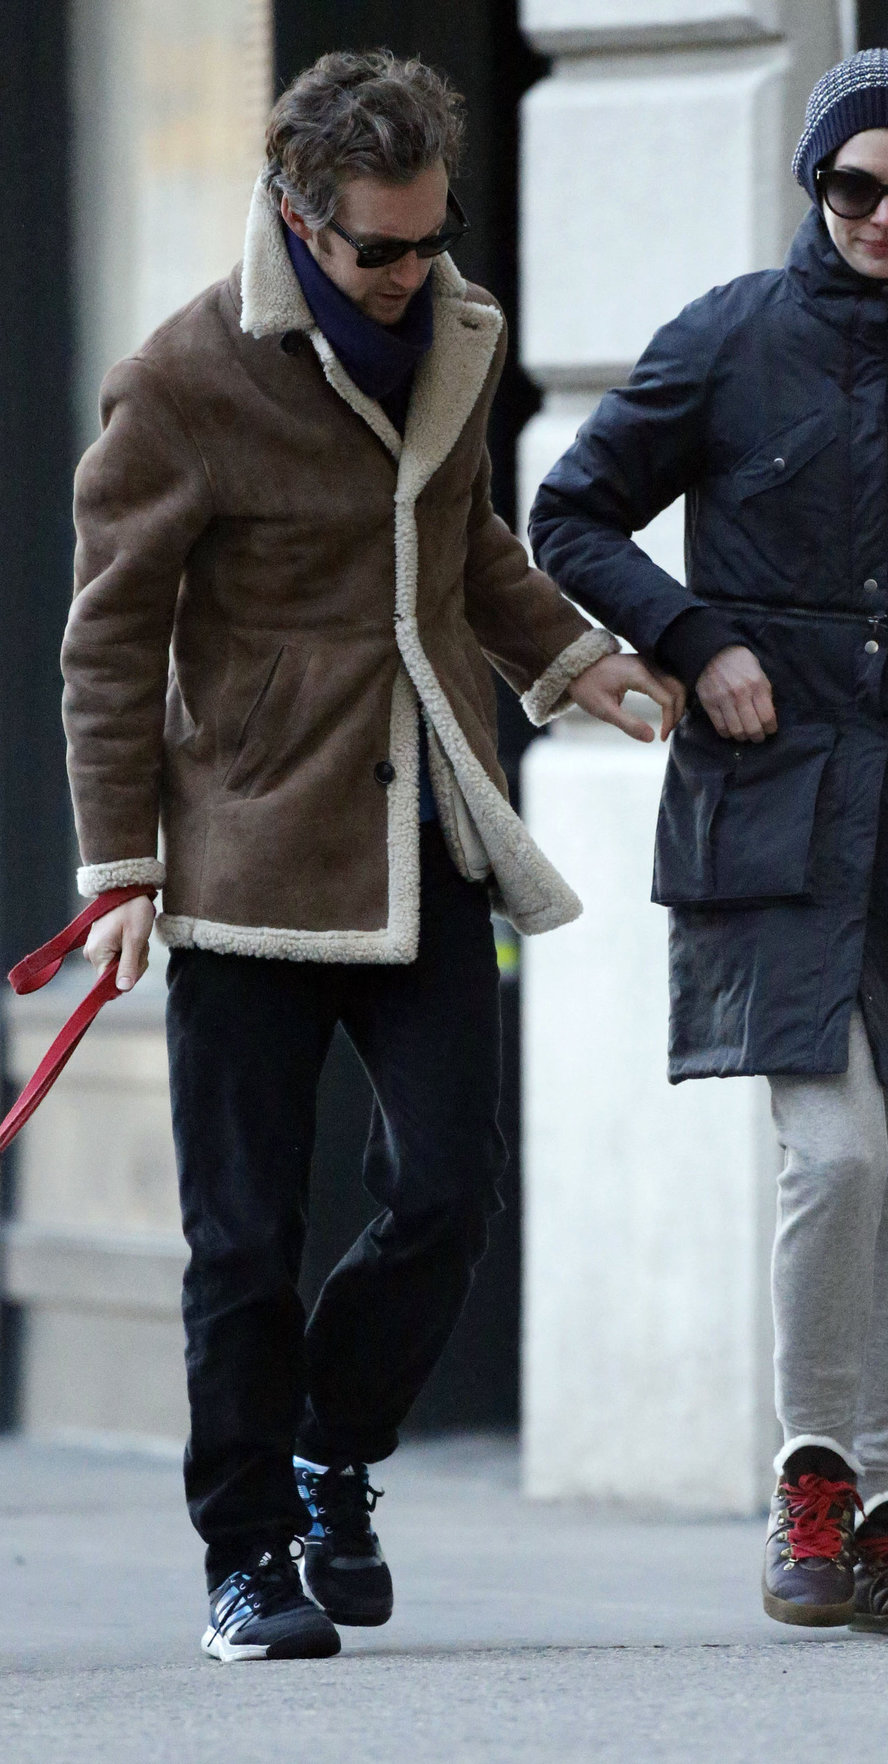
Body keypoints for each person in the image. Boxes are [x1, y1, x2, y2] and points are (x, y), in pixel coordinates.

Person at [62, 49, 682, 1663]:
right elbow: (109, 642)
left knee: (445, 1196)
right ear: (297, 216)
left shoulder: (458, 337)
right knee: (245, 1238)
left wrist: (577, 663)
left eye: (431, 237)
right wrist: (116, 870)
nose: (414, 273)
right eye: (379, 250)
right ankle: (245, 1557)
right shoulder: (183, 378)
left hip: (431, 839)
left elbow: (461, 537)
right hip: (252, 855)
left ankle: (334, 1447)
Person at [530, 48, 888, 1638]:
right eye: (854, 186)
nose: (882, 214)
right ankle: (811, 1481)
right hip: (775, 814)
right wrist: (698, 643)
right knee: (829, 1159)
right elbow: (568, 510)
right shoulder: (728, 339)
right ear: (814, 186)